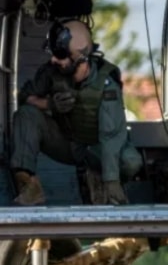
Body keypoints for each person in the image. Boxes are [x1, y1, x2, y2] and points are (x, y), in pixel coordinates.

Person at [11, 19, 141, 206]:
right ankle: (30, 187)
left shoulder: (106, 82)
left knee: (131, 162)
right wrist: (49, 104)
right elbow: (25, 97)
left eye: (61, 55)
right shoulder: (51, 72)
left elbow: (111, 136)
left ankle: (108, 186)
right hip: (68, 143)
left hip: (97, 147)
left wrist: (111, 180)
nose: (54, 59)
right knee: (26, 114)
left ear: (81, 56)